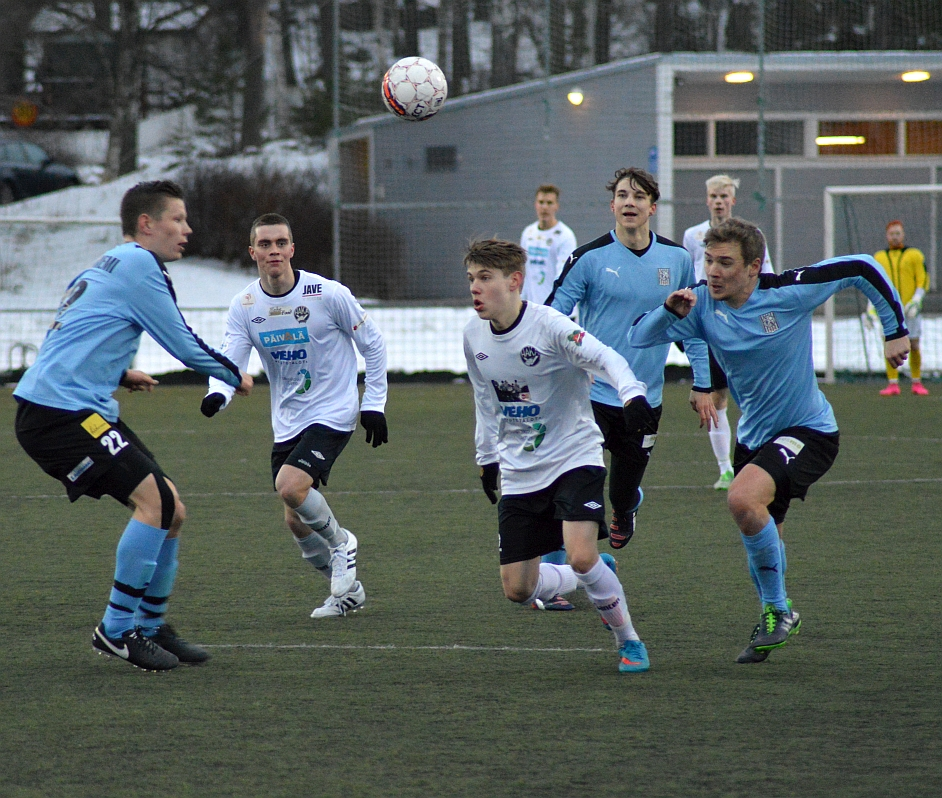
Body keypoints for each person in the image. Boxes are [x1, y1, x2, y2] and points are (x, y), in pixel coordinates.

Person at [628, 218, 909, 664]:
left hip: (809, 430)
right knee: (761, 530)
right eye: (708, 261)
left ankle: (778, 612)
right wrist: (668, 310)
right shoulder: (700, 304)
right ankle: (777, 612)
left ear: (754, 266)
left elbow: (861, 266)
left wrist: (895, 330)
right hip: (754, 438)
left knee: (741, 499)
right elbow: (638, 336)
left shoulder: (788, 291)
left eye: (725, 263)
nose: (713, 272)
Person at [13, 180, 253, 672]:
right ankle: (117, 630)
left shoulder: (105, 264)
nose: (187, 229)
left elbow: (73, 335)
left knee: (172, 509)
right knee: (157, 503)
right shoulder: (143, 265)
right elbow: (182, 342)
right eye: (178, 219)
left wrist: (119, 372)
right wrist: (234, 372)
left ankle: (150, 623)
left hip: (71, 406)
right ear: (147, 224)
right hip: (58, 415)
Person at [464, 238, 652, 673]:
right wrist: (486, 455)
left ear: (515, 281)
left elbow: (607, 357)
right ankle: (589, 573)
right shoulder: (473, 335)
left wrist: (631, 395)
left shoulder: (551, 326)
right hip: (519, 469)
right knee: (518, 590)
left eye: (485, 278)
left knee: (580, 553)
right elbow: (484, 399)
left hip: (574, 456)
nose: (475, 288)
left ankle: (630, 642)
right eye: (472, 279)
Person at [201, 213, 387, 619]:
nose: (274, 251)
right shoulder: (245, 305)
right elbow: (231, 359)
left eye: (280, 242)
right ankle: (347, 594)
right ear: (252, 252)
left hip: (334, 410)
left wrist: (374, 403)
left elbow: (372, 344)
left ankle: (342, 545)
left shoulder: (327, 293)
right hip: (288, 419)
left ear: (292, 249)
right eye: (265, 244)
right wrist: (218, 393)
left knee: (290, 486)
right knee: (296, 521)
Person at [548, 167, 710, 549]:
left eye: (638, 197)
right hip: (589, 397)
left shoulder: (677, 259)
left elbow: (694, 327)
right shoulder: (587, 258)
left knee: (621, 492)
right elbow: (551, 317)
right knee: (571, 484)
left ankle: (626, 507)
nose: (629, 203)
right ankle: (560, 569)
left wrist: (703, 382)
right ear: (612, 205)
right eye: (622, 196)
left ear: (652, 207)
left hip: (644, 399)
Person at [683, 174, 775, 490]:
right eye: (714, 196)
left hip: (745, 325)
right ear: (707, 199)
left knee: (755, 392)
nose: (719, 201)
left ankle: (763, 458)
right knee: (716, 396)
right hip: (709, 326)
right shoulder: (692, 235)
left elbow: (768, 277)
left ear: (732, 200)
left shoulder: (752, 236)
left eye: (724, 196)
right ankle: (726, 469)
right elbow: (688, 276)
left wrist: (769, 323)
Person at [868, 220, 930, 395]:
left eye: (898, 233)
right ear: (887, 236)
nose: (895, 237)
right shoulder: (879, 257)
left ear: (903, 235)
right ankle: (893, 383)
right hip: (888, 310)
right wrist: (871, 310)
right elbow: (873, 284)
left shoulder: (914, 255)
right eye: (891, 234)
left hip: (910, 309)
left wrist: (916, 300)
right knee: (889, 344)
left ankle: (916, 381)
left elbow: (922, 279)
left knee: (914, 344)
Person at [520, 184, 578, 305]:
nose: (544, 207)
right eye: (541, 202)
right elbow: (523, 270)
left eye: (549, 203)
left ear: (557, 206)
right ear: (535, 204)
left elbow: (563, 275)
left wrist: (553, 303)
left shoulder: (565, 236)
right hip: (532, 306)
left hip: (555, 307)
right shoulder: (528, 233)